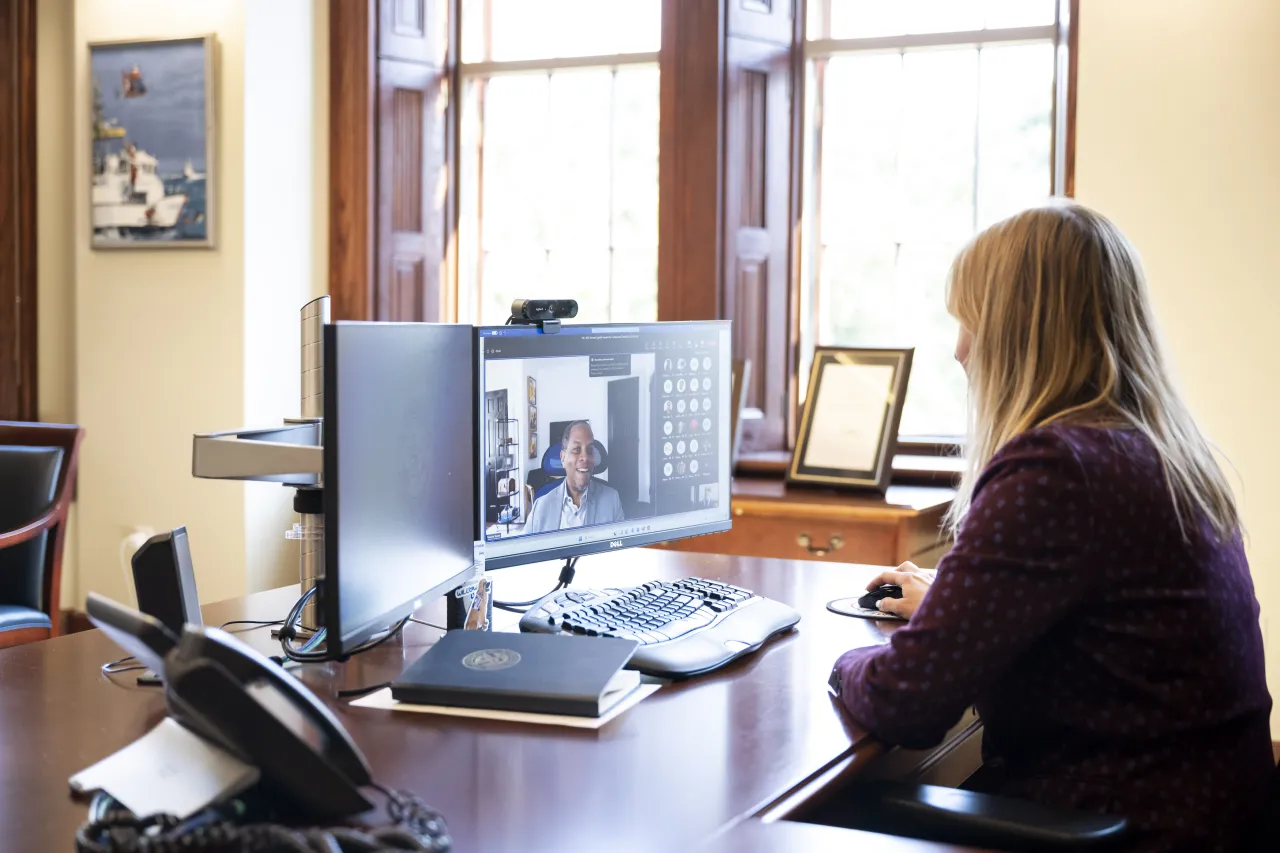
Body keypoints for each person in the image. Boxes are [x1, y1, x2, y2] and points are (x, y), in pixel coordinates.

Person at [828, 201, 1273, 853]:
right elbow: (1098, 633)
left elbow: (907, 702)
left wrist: (840, 662)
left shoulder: (1057, 467)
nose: (958, 348)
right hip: (1212, 824)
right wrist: (952, 609)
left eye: (969, 319)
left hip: (1124, 833)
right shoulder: (1159, 452)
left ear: (1020, 329)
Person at [525, 421, 625, 533]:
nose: (585, 458)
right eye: (577, 449)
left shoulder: (612, 500)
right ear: (563, 458)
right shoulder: (541, 506)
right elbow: (525, 548)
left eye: (590, 450)